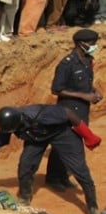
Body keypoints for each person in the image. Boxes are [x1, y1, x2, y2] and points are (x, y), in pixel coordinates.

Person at [0, 104, 101, 214]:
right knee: (25, 166)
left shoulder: (40, 114)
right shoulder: (8, 123)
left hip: (61, 133)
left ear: (19, 121)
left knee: (79, 170)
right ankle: (25, 196)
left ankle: (93, 207)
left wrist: (88, 135)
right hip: (36, 139)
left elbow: (69, 112)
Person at [44, 29, 102, 191]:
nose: (94, 46)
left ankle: (63, 176)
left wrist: (94, 91)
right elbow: (56, 89)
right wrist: (84, 96)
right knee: (62, 143)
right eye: (91, 44)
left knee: (76, 142)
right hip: (66, 110)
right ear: (80, 44)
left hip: (82, 111)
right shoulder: (67, 63)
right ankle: (53, 178)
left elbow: (86, 82)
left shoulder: (87, 60)